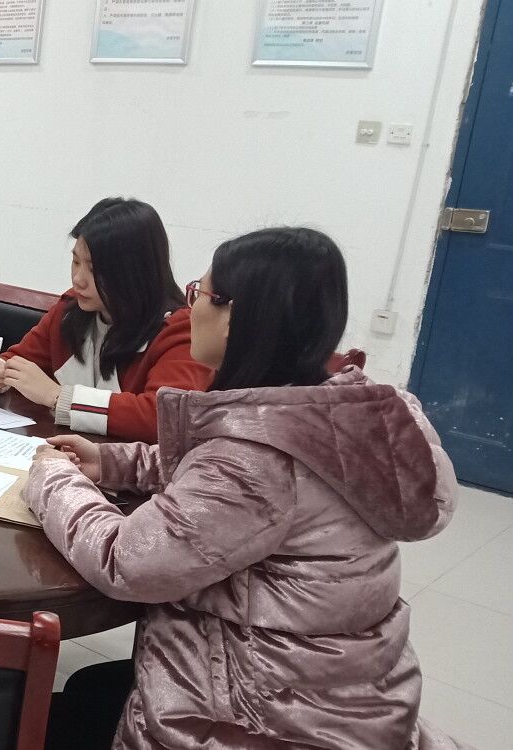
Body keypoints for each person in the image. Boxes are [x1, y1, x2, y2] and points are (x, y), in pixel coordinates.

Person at [28, 227, 461, 749]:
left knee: (48, 716)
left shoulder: (255, 459)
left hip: (259, 717)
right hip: (340, 688)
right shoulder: (329, 412)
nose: (190, 307)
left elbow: (126, 561)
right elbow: (220, 474)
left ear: (235, 316)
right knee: (88, 691)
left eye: (200, 293)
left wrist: (52, 479)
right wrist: (114, 461)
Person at [0, 198, 211, 442]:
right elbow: (16, 361)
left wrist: (57, 397)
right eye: (75, 262)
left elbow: (164, 417)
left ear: (134, 272)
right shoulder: (70, 310)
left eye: (94, 269)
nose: (78, 279)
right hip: (60, 455)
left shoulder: (180, 331)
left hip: (127, 466)